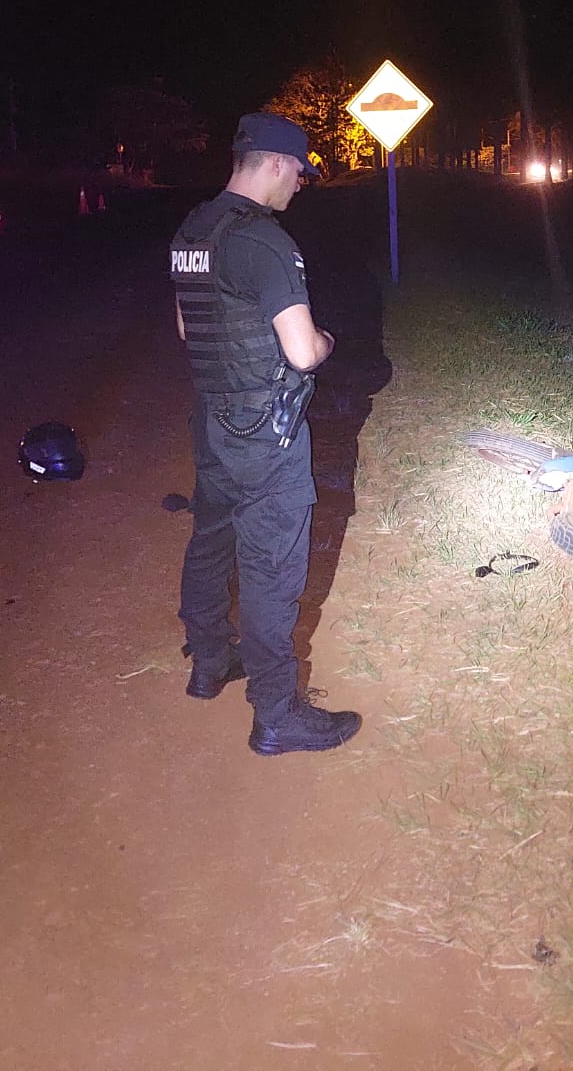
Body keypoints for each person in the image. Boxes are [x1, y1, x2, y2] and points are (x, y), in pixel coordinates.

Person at [170, 112, 362, 756]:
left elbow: (187, 330)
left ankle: (208, 664)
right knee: (271, 566)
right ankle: (277, 715)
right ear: (277, 163)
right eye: (299, 173)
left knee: (211, 538)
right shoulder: (264, 240)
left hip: (212, 421)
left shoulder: (194, 229)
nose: (299, 185)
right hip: (265, 433)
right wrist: (327, 339)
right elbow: (303, 352)